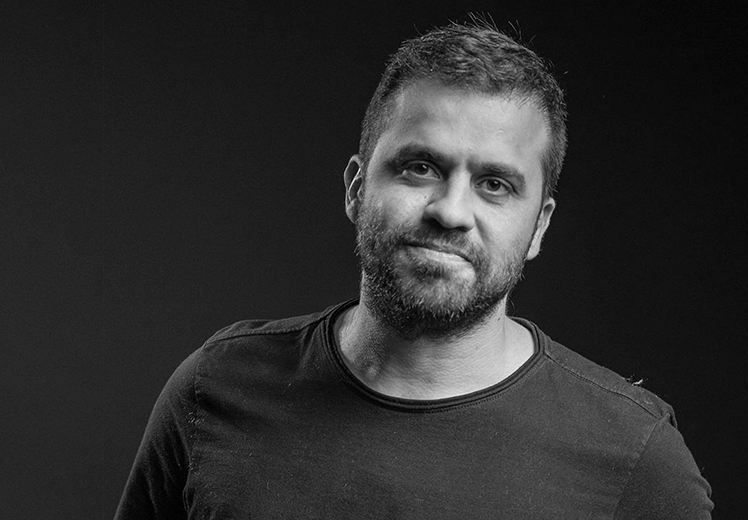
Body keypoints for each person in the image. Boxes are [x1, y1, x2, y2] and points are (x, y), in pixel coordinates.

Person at [115, 19, 713, 519]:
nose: (451, 211)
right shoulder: (217, 389)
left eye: (495, 184)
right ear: (356, 188)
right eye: (420, 168)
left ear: (539, 227)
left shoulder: (634, 458)